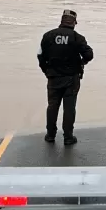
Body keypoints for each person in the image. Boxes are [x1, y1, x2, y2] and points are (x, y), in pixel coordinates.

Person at [37, 9, 94, 145]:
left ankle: (50, 135)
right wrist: (81, 62)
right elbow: (89, 55)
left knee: (52, 106)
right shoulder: (77, 38)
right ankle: (68, 137)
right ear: (74, 22)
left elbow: (40, 56)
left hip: (53, 77)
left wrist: (47, 71)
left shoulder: (48, 36)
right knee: (69, 108)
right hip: (71, 78)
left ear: (61, 21)